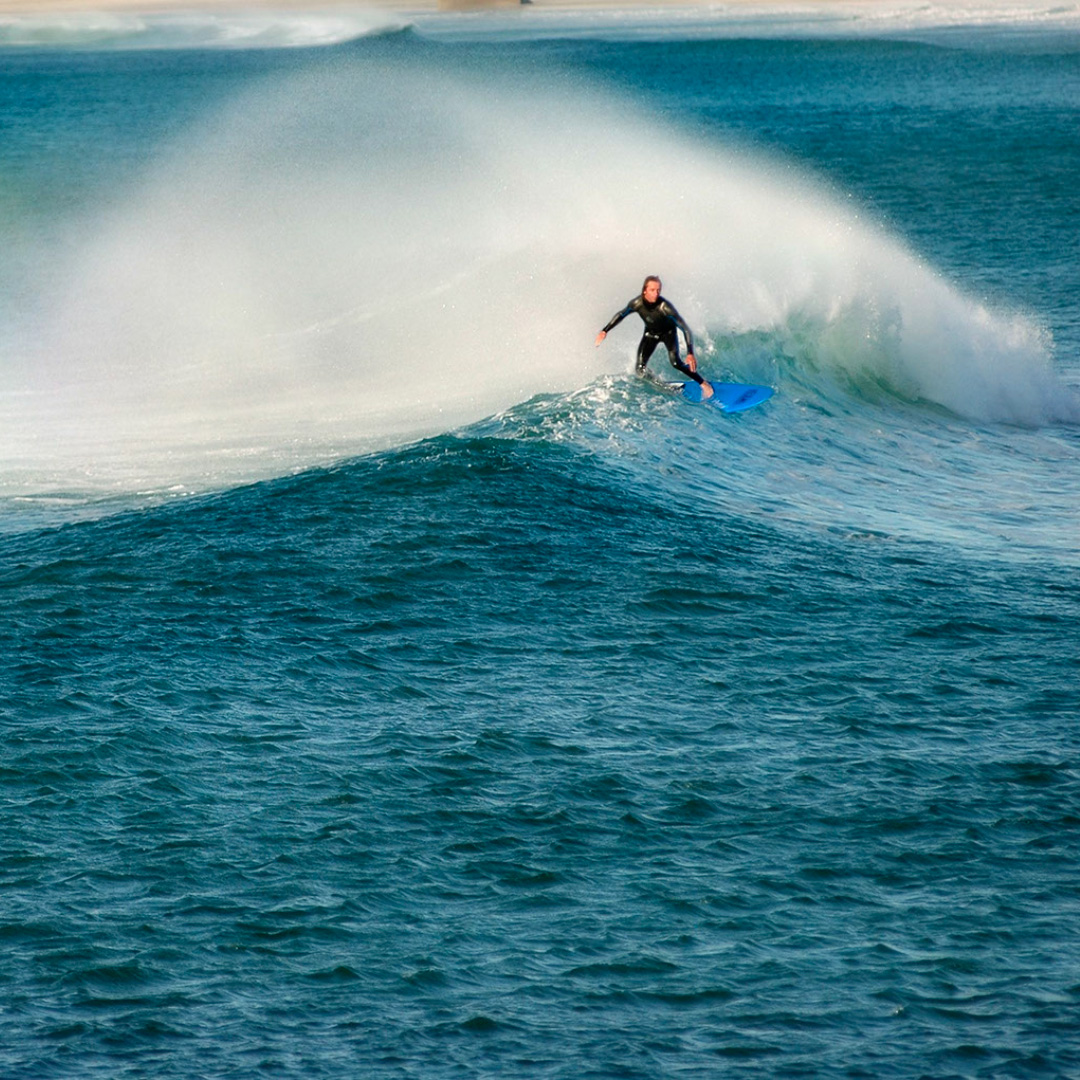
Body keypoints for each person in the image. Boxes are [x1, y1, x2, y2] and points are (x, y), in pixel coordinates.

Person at [595, 276, 713, 398]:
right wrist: (605, 331)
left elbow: (684, 328)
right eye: (652, 290)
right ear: (644, 291)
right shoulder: (637, 304)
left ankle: (703, 384)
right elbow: (621, 314)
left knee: (676, 363)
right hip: (650, 334)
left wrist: (690, 353)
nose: (656, 293)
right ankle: (661, 385)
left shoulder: (665, 307)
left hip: (668, 334)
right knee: (640, 369)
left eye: (658, 290)